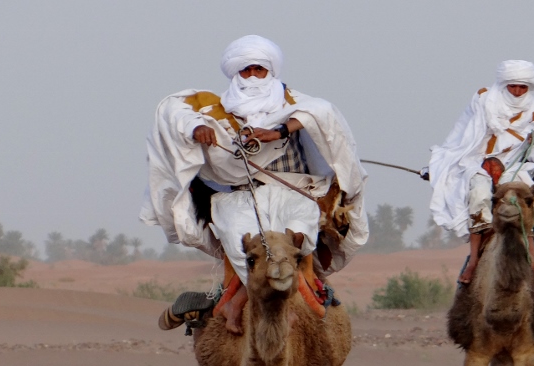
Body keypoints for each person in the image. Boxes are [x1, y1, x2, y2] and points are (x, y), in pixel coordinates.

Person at [141, 35, 368, 334]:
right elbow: (172, 110)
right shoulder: (216, 110)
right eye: (245, 70)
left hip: (293, 192)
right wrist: (196, 128)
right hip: (240, 197)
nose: (251, 76)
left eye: (258, 70)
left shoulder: (293, 104)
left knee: (300, 237)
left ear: (269, 71)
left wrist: (279, 131)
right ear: (235, 73)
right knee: (242, 243)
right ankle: (230, 302)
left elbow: (322, 113)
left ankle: (299, 295)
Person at [426, 60, 534, 285]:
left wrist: (533, 142)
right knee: (479, 195)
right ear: (504, 84)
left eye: (523, 87)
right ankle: (473, 260)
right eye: (513, 86)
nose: (518, 91)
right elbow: (463, 135)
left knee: (519, 201)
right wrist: (442, 164)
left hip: (518, 166)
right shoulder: (484, 100)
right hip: (480, 162)